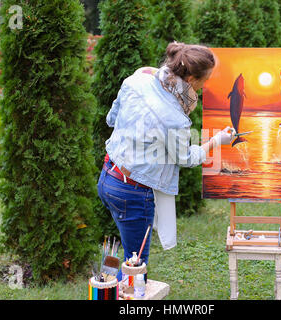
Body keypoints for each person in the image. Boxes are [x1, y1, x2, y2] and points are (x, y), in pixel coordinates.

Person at [97, 42, 235, 282]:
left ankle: (109, 286)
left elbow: (112, 119)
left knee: (129, 254)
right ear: (191, 78)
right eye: (205, 81)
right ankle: (116, 296)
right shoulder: (175, 118)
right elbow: (186, 158)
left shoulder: (137, 80)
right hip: (132, 192)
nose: (204, 87)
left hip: (108, 176)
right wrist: (216, 141)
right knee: (135, 267)